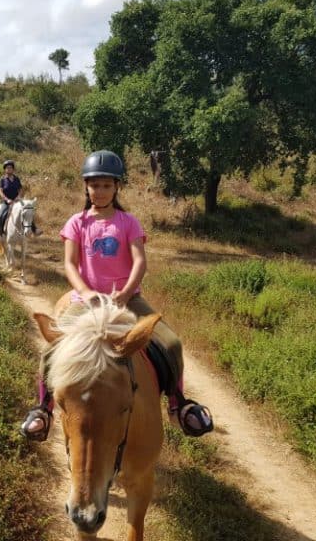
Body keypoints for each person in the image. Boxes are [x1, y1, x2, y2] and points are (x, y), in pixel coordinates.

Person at [19, 149, 213, 441]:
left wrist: (125, 293)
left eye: (106, 185)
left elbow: (139, 262)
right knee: (53, 348)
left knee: (171, 342)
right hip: (86, 301)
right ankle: (43, 409)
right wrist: (86, 292)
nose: (100, 191)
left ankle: (178, 404)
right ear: (86, 186)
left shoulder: (128, 222)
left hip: (127, 300)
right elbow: (69, 264)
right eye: (94, 185)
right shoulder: (76, 223)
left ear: (116, 187)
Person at [0, 159, 40, 239]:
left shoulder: (16, 179)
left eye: (10, 168)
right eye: (7, 168)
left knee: (28, 211)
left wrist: (18, 197)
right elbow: (0, 191)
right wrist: (7, 199)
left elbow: (20, 189)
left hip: (17, 201)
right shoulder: (3, 179)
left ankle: (34, 229)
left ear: (13, 169)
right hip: (6, 202)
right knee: (1, 215)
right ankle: (0, 234)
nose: (9, 169)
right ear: (5, 169)